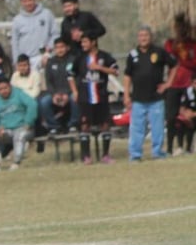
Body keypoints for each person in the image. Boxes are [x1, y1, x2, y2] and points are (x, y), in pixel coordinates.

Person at [123, 26, 175, 161]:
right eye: (140, 35)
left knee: (157, 127)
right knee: (137, 128)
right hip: (138, 98)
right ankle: (135, 155)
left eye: (145, 35)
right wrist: (126, 95)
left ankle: (157, 152)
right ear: (138, 38)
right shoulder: (133, 54)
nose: (143, 38)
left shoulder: (159, 52)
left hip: (156, 98)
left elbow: (174, 65)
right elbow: (127, 75)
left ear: (150, 37)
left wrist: (167, 84)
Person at [77, 32, 119, 164]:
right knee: (85, 126)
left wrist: (99, 68)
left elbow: (115, 71)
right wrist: (74, 91)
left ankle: (105, 155)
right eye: (82, 42)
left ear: (93, 42)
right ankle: (86, 156)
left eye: (85, 42)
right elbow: (70, 74)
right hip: (85, 98)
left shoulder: (104, 56)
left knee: (105, 125)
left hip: (101, 96)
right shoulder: (80, 58)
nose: (83, 45)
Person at [0, 77, 37, 171]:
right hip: (6, 130)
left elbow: (32, 104)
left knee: (20, 136)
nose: (4, 91)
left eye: (6, 88)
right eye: (0, 89)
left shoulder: (19, 94)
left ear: (10, 87)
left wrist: (28, 122)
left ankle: (16, 163)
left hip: (22, 127)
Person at [164, 13, 196, 155]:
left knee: (189, 116)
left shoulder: (192, 44)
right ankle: (171, 147)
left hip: (188, 83)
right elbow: (168, 60)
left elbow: (193, 62)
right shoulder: (170, 43)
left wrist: (182, 62)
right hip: (173, 84)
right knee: (171, 117)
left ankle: (187, 146)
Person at [39, 37, 80, 133]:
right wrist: (54, 94)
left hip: (70, 91)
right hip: (55, 92)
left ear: (67, 48)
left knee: (75, 98)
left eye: (62, 47)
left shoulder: (73, 60)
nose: (60, 50)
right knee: (44, 102)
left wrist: (67, 93)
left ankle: (73, 125)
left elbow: (77, 79)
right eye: (57, 47)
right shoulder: (50, 62)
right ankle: (53, 126)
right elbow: (48, 82)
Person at [11, 0, 58, 72]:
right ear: (21, 2)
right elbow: (14, 43)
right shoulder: (17, 20)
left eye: (30, 0)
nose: (28, 3)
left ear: (35, 0)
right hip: (26, 61)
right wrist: (16, 62)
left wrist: (48, 52)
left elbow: (55, 34)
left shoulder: (47, 14)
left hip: (44, 58)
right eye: (25, 1)